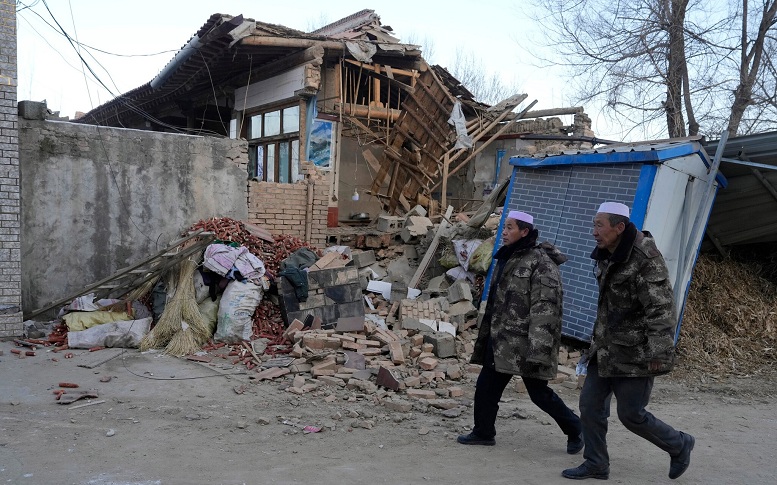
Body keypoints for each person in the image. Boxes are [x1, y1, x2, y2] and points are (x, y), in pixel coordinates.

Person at [562, 202, 695, 481]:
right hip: (605, 347)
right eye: (594, 224)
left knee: (631, 414)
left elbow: (661, 309)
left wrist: (658, 352)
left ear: (619, 227)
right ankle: (596, 462)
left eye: (600, 225)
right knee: (590, 405)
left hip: (637, 351)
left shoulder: (645, 259)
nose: (593, 232)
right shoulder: (605, 254)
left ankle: (680, 444)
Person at [458, 210, 583, 454]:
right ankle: (483, 432)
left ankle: (576, 429)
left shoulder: (541, 264)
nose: (504, 232)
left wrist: (539, 350)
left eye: (510, 228)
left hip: (526, 345)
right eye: (504, 227)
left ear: (525, 232)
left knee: (539, 394)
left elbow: (546, 310)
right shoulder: (508, 256)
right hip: (502, 340)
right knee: (486, 387)